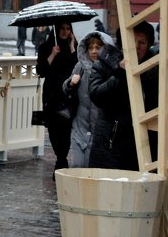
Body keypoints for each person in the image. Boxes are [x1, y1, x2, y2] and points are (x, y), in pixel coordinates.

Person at [88, 23, 159, 170]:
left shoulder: (156, 68)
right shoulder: (104, 63)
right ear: (122, 43)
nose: (136, 46)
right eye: (132, 41)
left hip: (144, 147)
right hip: (110, 144)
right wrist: (120, 74)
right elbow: (96, 95)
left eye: (142, 42)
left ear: (149, 45)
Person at [62, 30, 112, 168]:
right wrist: (71, 83)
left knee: (92, 170)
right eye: (91, 48)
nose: (94, 51)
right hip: (79, 128)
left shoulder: (110, 71)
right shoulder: (80, 67)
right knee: (77, 166)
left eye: (98, 47)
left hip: (99, 132)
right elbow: (65, 88)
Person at [36, 22, 78, 170]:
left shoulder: (74, 48)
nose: (65, 32)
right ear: (56, 29)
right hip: (51, 94)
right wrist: (53, 54)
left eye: (68, 29)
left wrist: (73, 47)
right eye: (62, 28)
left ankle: (61, 160)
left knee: (65, 128)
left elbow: (77, 69)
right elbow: (41, 70)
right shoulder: (46, 47)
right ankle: (60, 159)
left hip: (68, 94)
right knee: (53, 128)